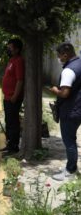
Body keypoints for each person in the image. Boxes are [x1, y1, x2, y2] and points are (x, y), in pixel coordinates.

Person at [50, 42, 81, 181]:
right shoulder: (79, 63)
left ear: (65, 54)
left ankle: (70, 170)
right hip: (78, 108)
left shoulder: (68, 70)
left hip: (70, 111)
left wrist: (56, 90)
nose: (58, 58)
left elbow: (65, 93)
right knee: (71, 140)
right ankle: (72, 167)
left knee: (69, 141)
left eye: (59, 55)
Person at [0, 38, 25, 155]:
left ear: (17, 49)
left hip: (13, 98)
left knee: (13, 122)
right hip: (7, 97)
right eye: (8, 47)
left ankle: (14, 146)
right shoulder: (11, 60)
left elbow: (20, 80)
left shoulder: (19, 61)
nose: (8, 50)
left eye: (10, 48)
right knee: (8, 121)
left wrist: (15, 95)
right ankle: (9, 144)